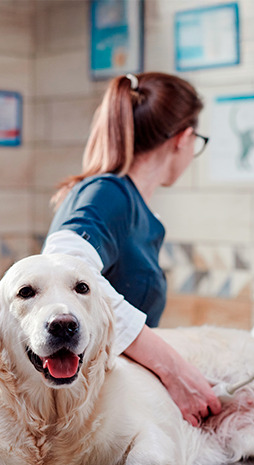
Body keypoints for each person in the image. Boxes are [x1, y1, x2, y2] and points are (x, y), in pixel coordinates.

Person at [43, 71, 221, 426]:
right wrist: (173, 369)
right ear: (183, 139)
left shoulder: (130, 206)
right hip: (90, 417)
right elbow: (60, 269)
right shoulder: (109, 193)